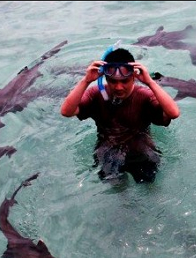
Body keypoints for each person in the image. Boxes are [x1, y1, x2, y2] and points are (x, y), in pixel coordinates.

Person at [61, 41, 180, 183]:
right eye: (113, 81)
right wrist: (86, 80)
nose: (118, 87)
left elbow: (173, 113)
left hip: (141, 151)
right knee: (119, 191)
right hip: (108, 153)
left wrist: (150, 82)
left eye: (124, 81)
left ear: (134, 77)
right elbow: (66, 111)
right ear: (105, 78)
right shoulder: (96, 93)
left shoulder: (144, 95)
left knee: (149, 186)